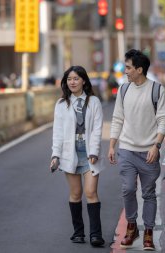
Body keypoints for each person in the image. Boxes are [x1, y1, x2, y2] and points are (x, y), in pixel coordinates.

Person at [108, 49, 165, 251]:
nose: (125, 71)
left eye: (128, 67)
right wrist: (112, 145)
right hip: (126, 148)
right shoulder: (124, 90)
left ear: (139, 69)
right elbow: (117, 118)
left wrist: (157, 145)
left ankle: (149, 233)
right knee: (127, 189)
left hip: (149, 151)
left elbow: (164, 119)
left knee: (149, 193)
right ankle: (132, 227)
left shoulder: (156, 90)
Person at [50, 66, 105, 247]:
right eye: (69, 79)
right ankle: (78, 232)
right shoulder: (61, 104)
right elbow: (57, 132)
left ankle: (96, 234)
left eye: (76, 78)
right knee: (75, 193)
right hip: (69, 152)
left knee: (91, 192)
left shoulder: (94, 102)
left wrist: (94, 152)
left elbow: (97, 129)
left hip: (89, 151)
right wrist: (55, 155)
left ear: (84, 81)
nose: (72, 82)